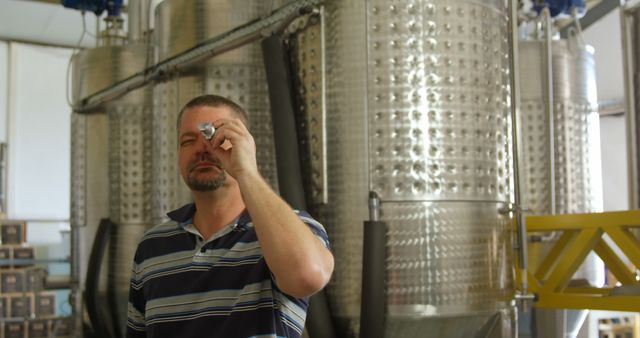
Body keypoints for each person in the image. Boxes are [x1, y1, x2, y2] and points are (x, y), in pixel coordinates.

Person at [126, 94, 334, 338]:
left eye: (217, 136)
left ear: (246, 144)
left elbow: (307, 277)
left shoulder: (289, 228)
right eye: (187, 141)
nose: (202, 148)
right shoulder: (153, 245)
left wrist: (246, 171)